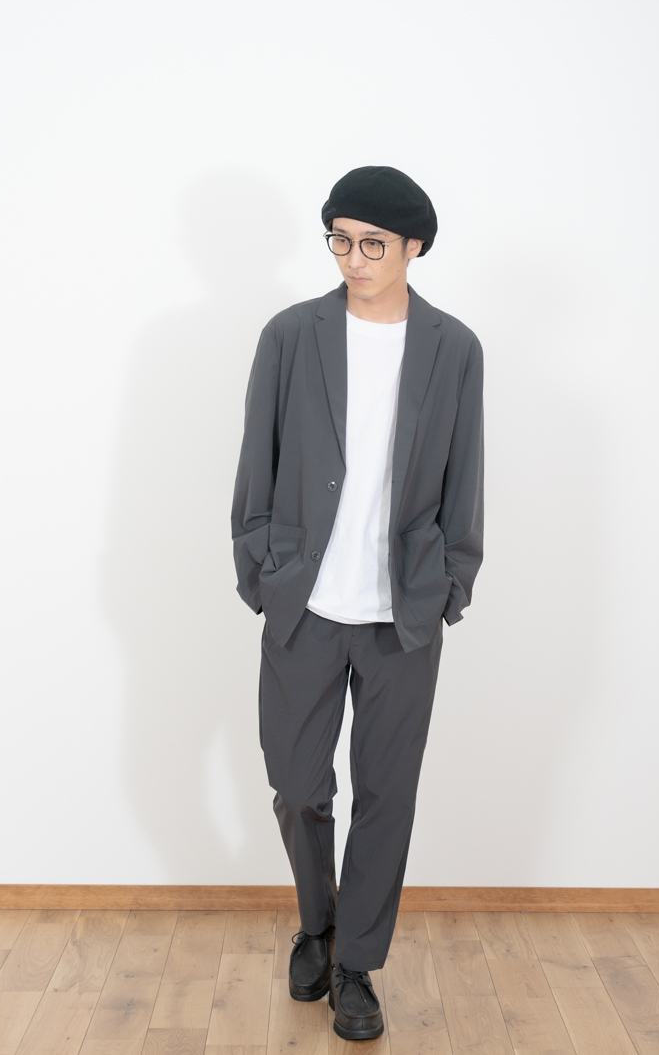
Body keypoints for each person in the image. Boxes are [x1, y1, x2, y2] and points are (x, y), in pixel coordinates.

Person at [231, 165, 484, 1041]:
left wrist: (451, 583)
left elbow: (466, 479)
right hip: (303, 604)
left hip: (402, 614)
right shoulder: (291, 335)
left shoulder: (454, 348)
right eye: (339, 239)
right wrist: (261, 572)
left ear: (414, 246)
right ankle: (317, 920)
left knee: (386, 796)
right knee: (298, 785)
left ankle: (356, 965)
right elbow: (255, 465)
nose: (352, 258)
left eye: (372, 243)